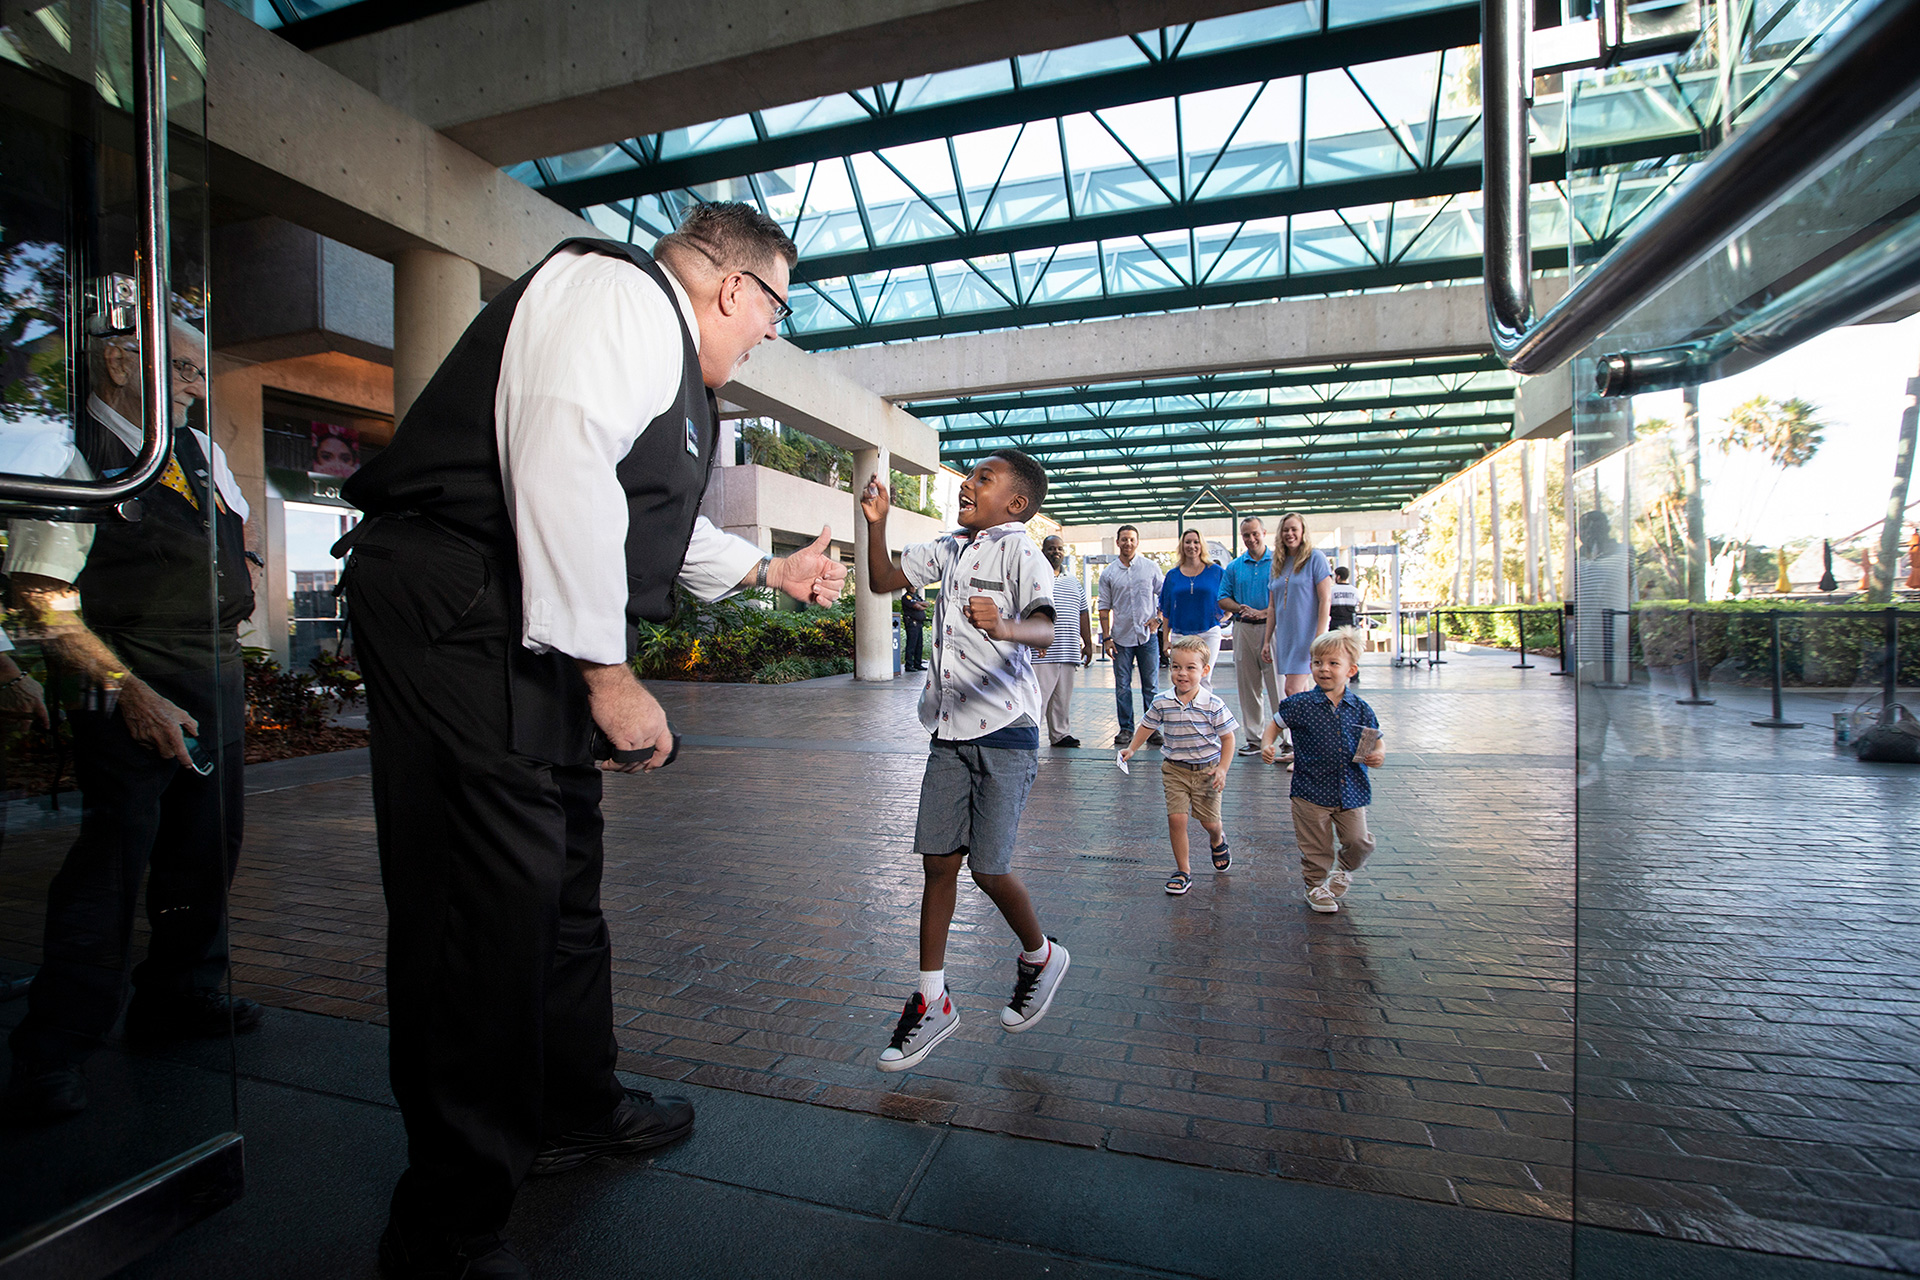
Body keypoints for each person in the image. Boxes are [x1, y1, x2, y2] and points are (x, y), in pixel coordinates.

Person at [336, 204, 849, 1279]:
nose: (769, 331)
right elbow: (560, 464)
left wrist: (768, 572)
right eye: (775, 308)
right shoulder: (617, 294)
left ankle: (575, 1106)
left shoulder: (669, 365)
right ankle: (444, 1227)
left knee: (560, 877)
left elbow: (643, 514)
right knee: (481, 907)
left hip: (512, 610)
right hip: (457, 599)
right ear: (729, 286)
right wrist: (611, 677)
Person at [2, 318, 261, 1125]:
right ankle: (55, 1047)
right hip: (127, 683)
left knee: (205, 849)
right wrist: (129, 691)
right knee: (111, 867)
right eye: (183, 369)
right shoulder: (74, 458)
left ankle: (180, 994)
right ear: (120, 363)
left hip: (209, 673)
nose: (195, 386)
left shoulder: (193, 453)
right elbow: (39, 600)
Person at [857, 451, 1071, 1074]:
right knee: (939, 864)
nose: (967, 484)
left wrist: (1005, 626)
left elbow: (1044, 626)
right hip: (949, 733)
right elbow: (879, 579)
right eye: (968, 475)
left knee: (988, 868)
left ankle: (1040, 954)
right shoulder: (948, 549)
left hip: (1006, 732)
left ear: (1017, 503)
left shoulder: (1019, 551)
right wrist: (876, 522)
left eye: (983, 477)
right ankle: (932, 999)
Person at [1262, 629, 1384, 915]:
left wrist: (1377, 754)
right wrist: (1267, 744)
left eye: (1333, 663)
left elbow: (1373, 740)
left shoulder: (1360, 709)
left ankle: (1344, 870)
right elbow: (1275, 724)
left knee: (1359, 841)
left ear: (1350, 670)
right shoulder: (1300, 704)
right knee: (1316, 846)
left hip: (1350, 788)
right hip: (1310, 790)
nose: (1324, 669)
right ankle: (1316, 885)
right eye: (1317, 663)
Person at [1121, 635, 1237, 897]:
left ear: (1205, 670)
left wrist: (1222, 769)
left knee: (1210, 823)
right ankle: (1183, 870)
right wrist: (1132, 747)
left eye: (1190, 668)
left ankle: (1218, 839)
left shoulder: (1213, 704)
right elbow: (1147, 725)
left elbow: (1228, 738)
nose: (1182, 673)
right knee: (1177, 818)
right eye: (1176, 667)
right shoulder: (1162, 701)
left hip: (1207, 771)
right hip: (1175, 769)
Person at [1261, 512, 1331, 764]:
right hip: (1286, 637)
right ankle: (1303, 751)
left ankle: (1302, 751)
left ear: (1302, 532)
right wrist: (1267, 640)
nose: (1289, 534)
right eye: (1285, 530)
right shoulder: (1277, 564)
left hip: (1307, 637)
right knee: (1300, 694)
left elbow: (1325, 600)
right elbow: (1272, 607)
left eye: (1294, 529)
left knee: (1292, 691)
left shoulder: (1315, 559)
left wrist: (1319, 639)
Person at [1098, 525, 1164, 748]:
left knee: (1151, 686)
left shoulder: (1150, 567)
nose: (1128, 543)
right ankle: (1126, 729)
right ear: (1118, 542)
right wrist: (1106, 638)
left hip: (1148, 637)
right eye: (1124, 539)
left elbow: (1164, 594)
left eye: (1131, 539)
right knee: (1122, 686)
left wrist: (1159, 618)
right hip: (1121, 639)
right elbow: (1104, 607)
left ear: (1137, 542)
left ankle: (1152, 729)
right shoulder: (1109, 573)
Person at [1219, 516, 1278, 757]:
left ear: (1264, 533)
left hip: (1271, 629)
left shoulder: (1278, 563)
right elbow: (1223, 597)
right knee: (1248, 685)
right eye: (1246, 535)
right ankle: (1254, 738)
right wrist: (1241, 608)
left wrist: (1263, 612)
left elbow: (1285, 598)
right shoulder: (1234, 566)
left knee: (1276, 684)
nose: (1251, 539)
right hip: (1243, 629)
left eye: (1255, 533)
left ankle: (1283, 738)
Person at [1035, 535, 1092, 747]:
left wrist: (1087, 642)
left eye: (1059, 549)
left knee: (1062, 698)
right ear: (1043, 551)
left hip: (1068, 650)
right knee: (1038, 698)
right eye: (1051, 549)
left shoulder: (1073, 582)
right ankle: (1032, 732)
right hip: (1042, 652)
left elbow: (1083, 613)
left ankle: (1060, 734)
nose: (1055, 552)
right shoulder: (1036, 577)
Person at [1158, 529, 1225, 684]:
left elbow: (1227, 597)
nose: (1192, 546)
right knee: (1183, 679)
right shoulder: (1173, 575)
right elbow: (1166, 609)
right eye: (1188, 542)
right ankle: (1185, 708)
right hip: (1181, 635)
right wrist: (1166, 639)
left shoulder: (1216, 572)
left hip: (1209, 632)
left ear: (1201, 545)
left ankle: (1204, 708)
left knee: (1204, 677)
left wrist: (1224, 616)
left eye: (1196, 542)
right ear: (1182, 546)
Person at [1328, 566, 1362, 683]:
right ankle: (1354, 675)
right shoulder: (1354, 590)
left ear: (1338, 576)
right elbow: (1357, 604)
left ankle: (1335, 673)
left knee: (1333, 649)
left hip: (1335, 622)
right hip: (1350, 623)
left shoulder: (1332, 590)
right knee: (1351, 649)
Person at [901, 584, 927, 672]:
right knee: (911, 644)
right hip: (912, 623)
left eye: (914, 587)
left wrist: (916, 601)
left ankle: (917, 663)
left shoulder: (916, 597)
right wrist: (918, 603)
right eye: (911, 587)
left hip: (919, 623)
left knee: (919, 644)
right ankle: (909, 665)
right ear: (907, 588)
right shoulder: (906, 597)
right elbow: (918, 607)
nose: (913, 588)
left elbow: (926, 604)